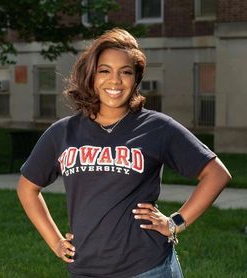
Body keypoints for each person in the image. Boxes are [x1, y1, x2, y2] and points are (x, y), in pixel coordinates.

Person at [17, 28, 231, 278]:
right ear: (91, 76)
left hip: (148, 267)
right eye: (104, 70)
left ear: (136, 78)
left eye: (126, 72)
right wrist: (55, 241)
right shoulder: (63, 132)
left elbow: (216, 174)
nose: (115, 81)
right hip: (87, 268)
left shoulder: (156, 127)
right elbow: (27, 188)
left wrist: (175, 223)